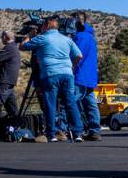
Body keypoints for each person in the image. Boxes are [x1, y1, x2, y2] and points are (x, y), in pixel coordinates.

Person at [21, 15, 85, 142]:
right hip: (67, 74)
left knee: (50, 104)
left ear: (47, 25)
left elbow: (22, 46)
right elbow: (79, 55)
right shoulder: (66, 39)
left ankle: (52, 134)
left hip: (50, 74)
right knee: (70, 103)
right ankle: (78, 133)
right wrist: (71, 66)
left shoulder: (42, 38)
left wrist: (29, 35)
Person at [71, 12, 102, 141]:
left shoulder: (80, 37)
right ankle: (94, 130)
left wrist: (71, 67)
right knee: (90, 104)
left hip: (79, 75)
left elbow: (77, 55)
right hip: (90, 77)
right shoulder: (90, 36)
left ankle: (75, 129)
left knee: (70, 102)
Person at [0, 31, 21, 119]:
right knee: (12, 109)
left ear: (5, 37)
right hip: (10, 82)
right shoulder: (14, 47)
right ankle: (16, 127)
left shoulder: (9, 48)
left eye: (1, 37)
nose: (1, 39)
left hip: (4, 81)